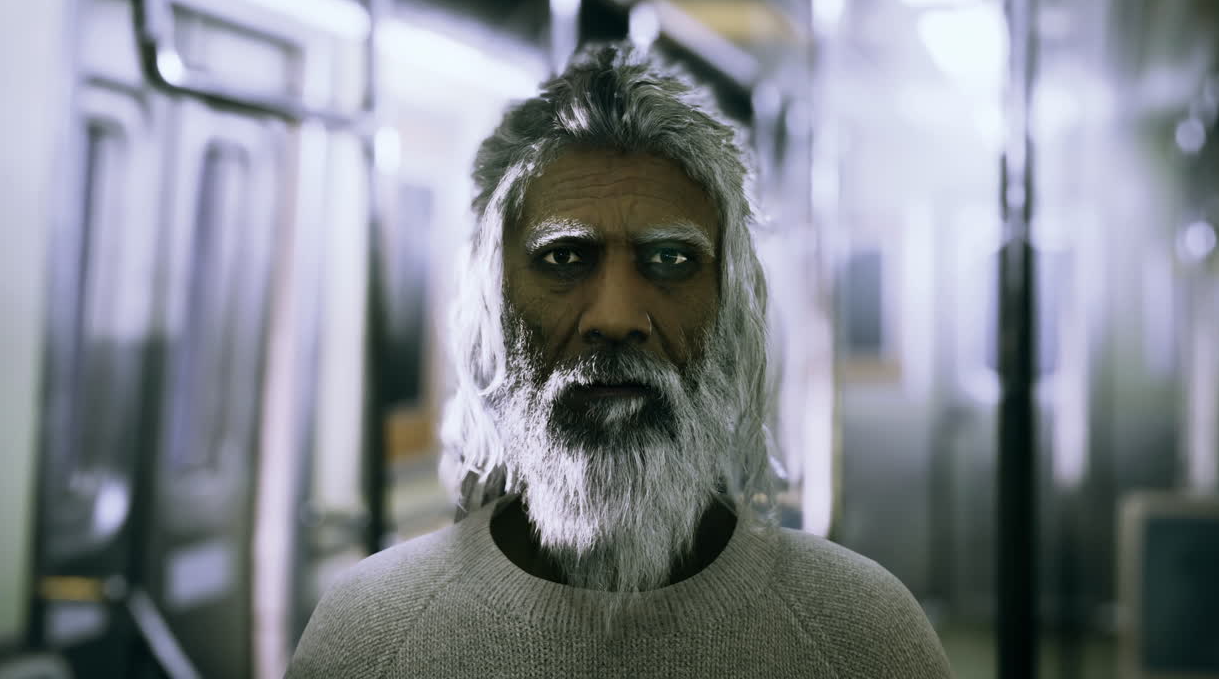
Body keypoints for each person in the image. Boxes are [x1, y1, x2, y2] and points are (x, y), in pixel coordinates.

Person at [287, 42, 953, 678]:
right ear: (494, 308)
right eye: (564, 258)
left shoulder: (861, 636)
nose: (614, 318)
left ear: (730, 312)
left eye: (670, 261)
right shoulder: (371, 637)